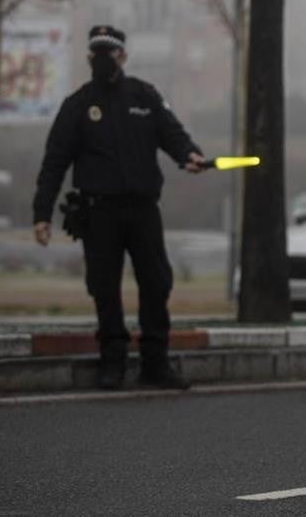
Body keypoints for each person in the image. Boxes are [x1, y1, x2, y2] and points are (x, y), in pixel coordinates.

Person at [32, 25, 205, 390]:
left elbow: (172, 133)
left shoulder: (144, 95)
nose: (103, 58)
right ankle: (112, 361)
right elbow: (54, 163)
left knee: (157, 283)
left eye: (110, 51)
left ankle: (155, 362)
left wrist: (189, 154)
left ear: (123, 56)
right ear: (88, 57)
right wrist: (41, 214)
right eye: (97, 51)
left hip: (143, 210)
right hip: (99, 213)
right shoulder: (77, 105)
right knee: (104, 287)